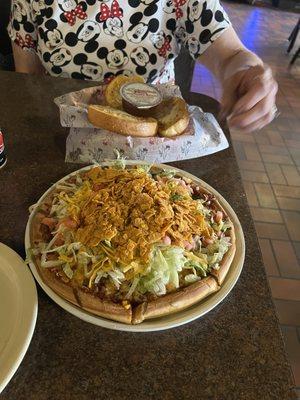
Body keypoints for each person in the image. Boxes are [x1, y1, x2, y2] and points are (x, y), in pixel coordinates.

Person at [8, 0, 278, 132]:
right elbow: (28, 79)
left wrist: (248, 71)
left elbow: (230, 54)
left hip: (153, 138)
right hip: (65, 132)